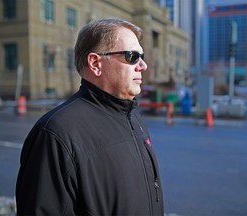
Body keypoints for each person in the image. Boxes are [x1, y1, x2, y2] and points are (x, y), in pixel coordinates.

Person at [15, 18, 164, 215]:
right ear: (95, 63)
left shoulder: (133, 117)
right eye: (131, 56)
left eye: (141, 56)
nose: (143, 65)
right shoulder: (55, 133)